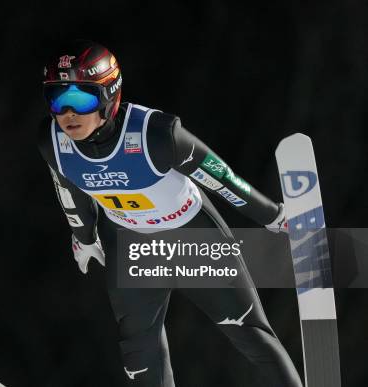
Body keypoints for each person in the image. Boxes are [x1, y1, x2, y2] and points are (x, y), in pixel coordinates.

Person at [37, 40, 302, 387]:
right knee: (139, 353)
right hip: (130, 246)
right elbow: (69, 190)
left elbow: (222, 178)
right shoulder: (53, 142)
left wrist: (273, 216)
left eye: (81, 99)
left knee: (248, 332)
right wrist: (84, 237)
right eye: (57, 99)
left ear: (108, 96)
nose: (68, 114)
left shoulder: (156, 134)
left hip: (189, 237)